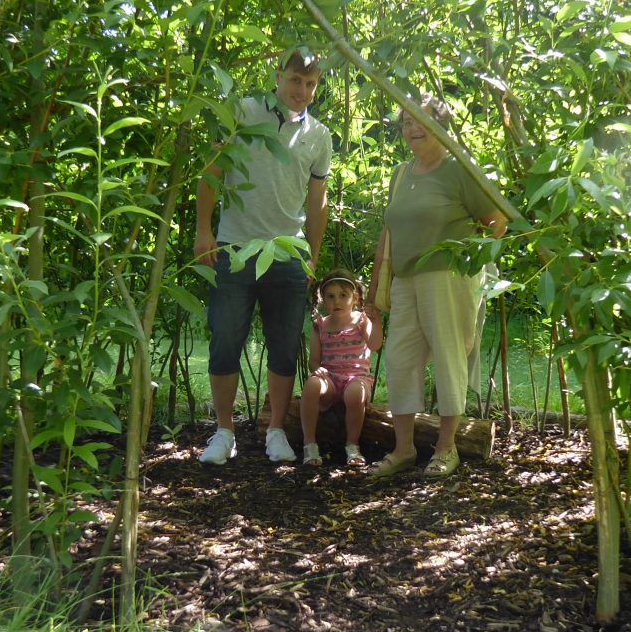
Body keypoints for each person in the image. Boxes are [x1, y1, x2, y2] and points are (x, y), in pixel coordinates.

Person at [194, 46, 332, 465]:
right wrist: (203, 231)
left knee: (284, 347)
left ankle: (275, 430)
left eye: (310, 84)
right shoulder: (244, 111)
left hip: (287, 254)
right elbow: (213, 170)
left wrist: (311, 257)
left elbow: (317, 201)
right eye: (295, 80)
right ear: (278, 76)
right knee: (225, 342)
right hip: (233, 249)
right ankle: (223, 433)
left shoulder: (319, 136)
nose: (301, 90)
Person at [364, 94, 507, 478]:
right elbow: (387, 233)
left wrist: (469, 261)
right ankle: (404, 449)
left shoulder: (460, 170)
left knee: (448, 357)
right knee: (399, 361)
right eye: (406, 122)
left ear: (442, 126)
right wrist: (374, 288)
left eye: (420, 122)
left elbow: (496, 221)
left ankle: (446, 449)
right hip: (406, 279)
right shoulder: (401, 173)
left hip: (449, 278)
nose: (411, 129)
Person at [300, 269, 383, 467]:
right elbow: (314, 361)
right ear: (322, 299)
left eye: (342, 295)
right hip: (330, 379)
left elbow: (374, 345)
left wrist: (376, 321)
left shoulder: (361, 320)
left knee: (355, 394)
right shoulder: (319, 325)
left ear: (354, 298)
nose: (336, 302)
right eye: (330, 296)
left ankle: (352, 445)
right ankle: (309, 444)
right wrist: (317, 370)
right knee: (312, 385)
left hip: (357, 379)